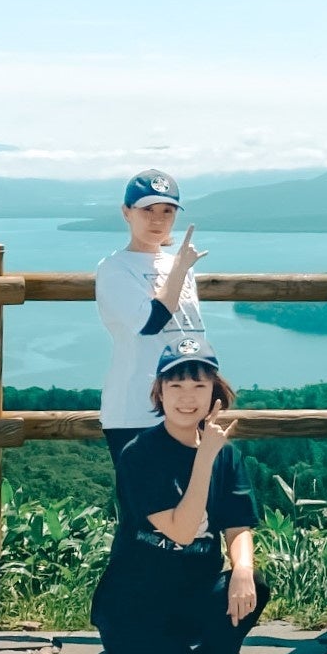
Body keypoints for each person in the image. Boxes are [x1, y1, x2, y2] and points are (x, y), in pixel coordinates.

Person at [90, 338, 270, 654]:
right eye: (176, 386)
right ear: (158, 391)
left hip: (192, 598)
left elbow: (238, 524)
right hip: (133, 611)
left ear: (215, 393)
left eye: (199, 386)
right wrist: (203, 459)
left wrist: (242, 568)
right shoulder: (141, 454)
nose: (187, 398)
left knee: (252, 583)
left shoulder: (226, 453)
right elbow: (184, 532)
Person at [96, 169, 206, 467]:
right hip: (135, 410)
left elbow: (192, 337)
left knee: (194, 509)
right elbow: (150, 323)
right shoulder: (115, 268)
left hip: (186, 409)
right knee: (144, 510)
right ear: (126, 213)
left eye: (167, 211)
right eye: (148, 210)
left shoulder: (180, 264)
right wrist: (181, 269)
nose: (158, 220)